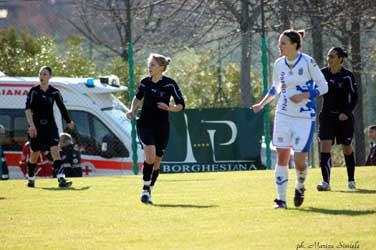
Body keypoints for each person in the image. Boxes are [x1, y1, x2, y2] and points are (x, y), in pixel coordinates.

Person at [252, 29, 328, 209]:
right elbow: (276, 88)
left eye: (283, 43)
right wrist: (262, 104)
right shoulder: (279, 64)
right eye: (279, 43)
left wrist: (305, 95)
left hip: (304, 117)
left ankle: (300, 186)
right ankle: (281, 200)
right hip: (283, 115)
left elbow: (324, 86)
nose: (280, 46)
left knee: (300, 160)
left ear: (294, 44)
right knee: (282, 156)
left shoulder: (308, 62)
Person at [126, 53, 185, 204]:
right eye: (149, 65)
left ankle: (149, 188)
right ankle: (145, 191)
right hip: (145, 125)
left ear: (161, 67)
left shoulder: (170, 84)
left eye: (152, 65)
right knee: (150, 157)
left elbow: (181, 105)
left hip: (162, 127)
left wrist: (169, 108)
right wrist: (132, 110)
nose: (149, 67)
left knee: (157, 161)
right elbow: (138, 97)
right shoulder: (145, 82)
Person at [25, 66, 75, 188]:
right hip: (36, 127)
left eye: (45, 74)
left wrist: (69, 121)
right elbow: (27, 109)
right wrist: (31, 126)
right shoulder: (34, 91)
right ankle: (31, 178)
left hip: (50, 126)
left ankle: (61, 180)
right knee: (34, 155)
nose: (41, 76)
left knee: (55, 151)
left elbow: (62, 107)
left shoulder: (54, 92)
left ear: (50, 76)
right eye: (40, 74)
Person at [317, 47, 358, 191]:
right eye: (328, 56)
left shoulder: (347, 76)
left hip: (343, 118)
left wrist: (346, 112)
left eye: (332, 56)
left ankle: (351, 180)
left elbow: (354, 97)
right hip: (327, 116)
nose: (329, 59)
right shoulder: (322, 73)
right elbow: (314, 88)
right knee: (324, 147)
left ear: (340, 59)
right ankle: (326, 182)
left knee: (347, 148)